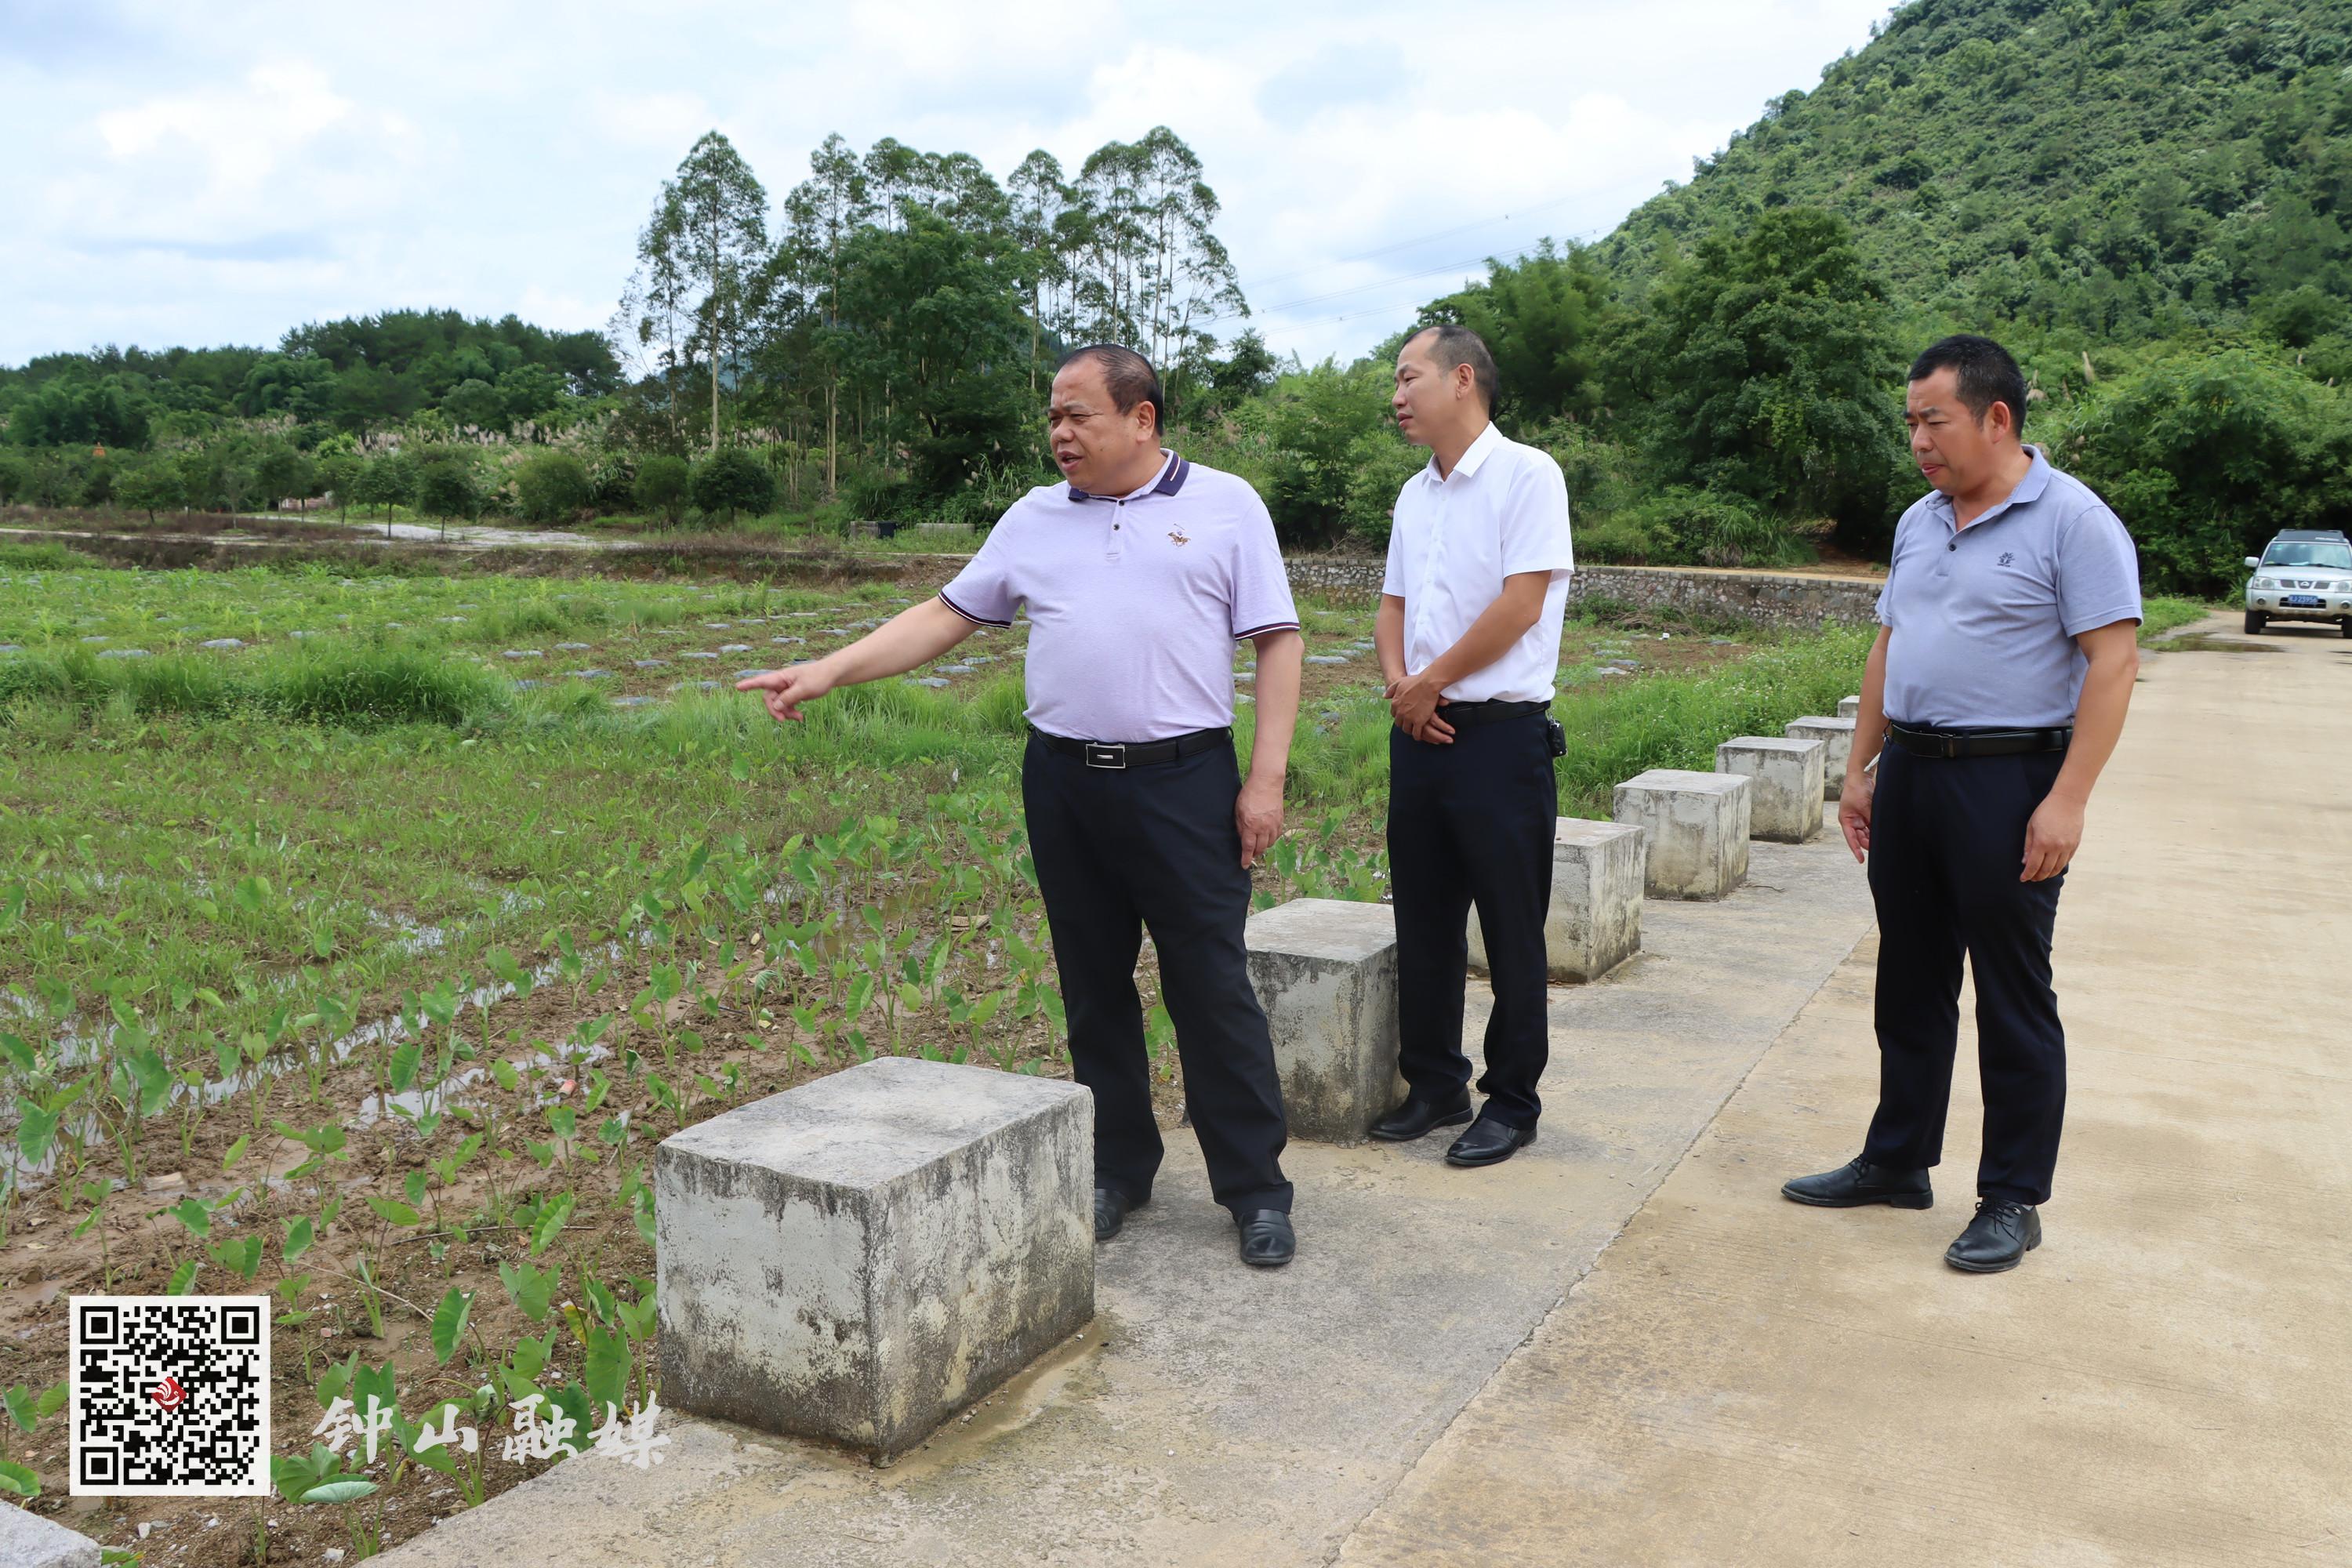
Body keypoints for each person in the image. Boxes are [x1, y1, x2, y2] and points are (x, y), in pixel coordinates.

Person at [738, 345, 1308, 1269]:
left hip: (1183, 782)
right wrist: (826, 670)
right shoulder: (1035, 518)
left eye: (1078, 414)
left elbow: (1277, 644)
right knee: (1092, 984)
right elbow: (946, 614)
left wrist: (1266, 779)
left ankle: (1254, 1188)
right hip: (1066, 782)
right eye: (1052, 416)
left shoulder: (1227, 505)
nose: (1059, 433)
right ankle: (1117, 1167)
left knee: (1210, 986)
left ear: (1142, 418)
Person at [1782, 334, 2142, 1274]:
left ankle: (2013, 1195)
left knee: (2013, 992)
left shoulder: (2074, 520)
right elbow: (1887, 645)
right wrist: (1860, 769)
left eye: (1932, 420)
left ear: (1996, 417)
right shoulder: (1918, 521)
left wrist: (2068, 800)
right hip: (1913, 771)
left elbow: (2114, 660)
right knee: (1910, 976)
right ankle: (1898, 1157)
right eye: (1908, 422)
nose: (1917, 441)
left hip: (2010, 777)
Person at [1368, 325, 1574, 1168]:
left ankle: (1513, 1100)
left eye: (1408, 376)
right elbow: (1393, 605)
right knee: (1423, 918)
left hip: (1499, 737)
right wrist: (1400, 688)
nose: (1397, 394)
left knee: (1511, 925)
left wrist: (1433, 680)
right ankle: (1435, 1081)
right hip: (1418, 733)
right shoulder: (1416, 496)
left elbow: (1521, 603)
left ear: (1461, 379)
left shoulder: (1529, 474)